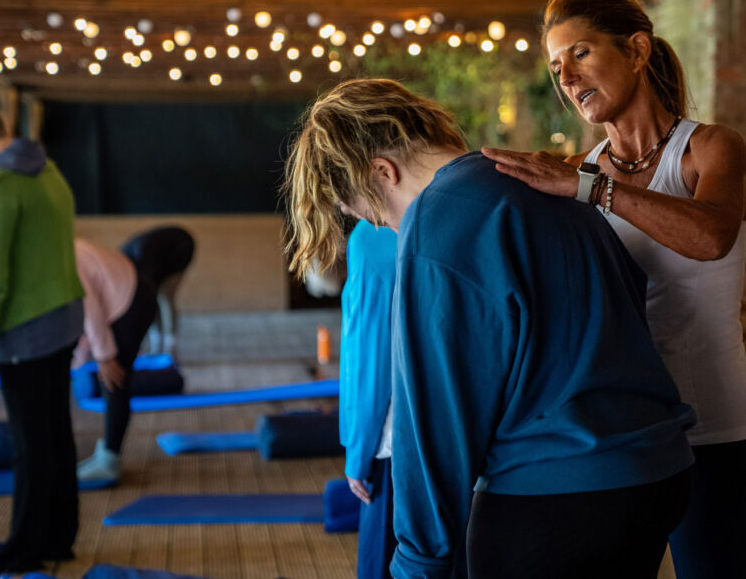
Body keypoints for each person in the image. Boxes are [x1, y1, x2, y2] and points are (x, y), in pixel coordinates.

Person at [284, 78, 696, 579]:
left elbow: (436, 410)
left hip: (555, 493)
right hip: (656, 471)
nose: (385, 229)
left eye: (371, 216)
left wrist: (418, 560)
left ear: (382, 172)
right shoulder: (538, 176)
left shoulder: (435, 219)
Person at [481, 0, 746, 579]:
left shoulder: (708, 149)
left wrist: (591, 188)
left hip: (717, 431)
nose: (567, 77)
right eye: (557, 66)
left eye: (580, 54)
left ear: (637, 51)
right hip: (621, 445)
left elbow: (711, 236)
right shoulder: (573, 176)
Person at [0, 94, 84, 574]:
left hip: (27, 333)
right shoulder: (46, 170)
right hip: (64, 319)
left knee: (30, 446)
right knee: (55, 436)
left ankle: (18, 554)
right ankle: (58, 538)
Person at [72, 238, 159, 483]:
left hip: (130, 300)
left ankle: (110, 459)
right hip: (126, 292)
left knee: (114, 377)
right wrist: (81, 358)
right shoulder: (58, 248)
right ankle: (108, 451)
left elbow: (89, 308)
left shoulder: (64, 257)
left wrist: (104, 355)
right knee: (112, 376)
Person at [339, 219, 398, 579]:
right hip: (463, 439)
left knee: (382, 562)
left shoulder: (371, 236)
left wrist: (357, 453)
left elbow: (369, 353)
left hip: (389, 442)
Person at [119, 225, 195, 357]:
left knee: (164, 297)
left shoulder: (140, 257)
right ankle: (156, 343)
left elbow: (147, 294)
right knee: (150, 298)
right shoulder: (129, 259)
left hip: (180, 251)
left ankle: (170, 346)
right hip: (160, 260)